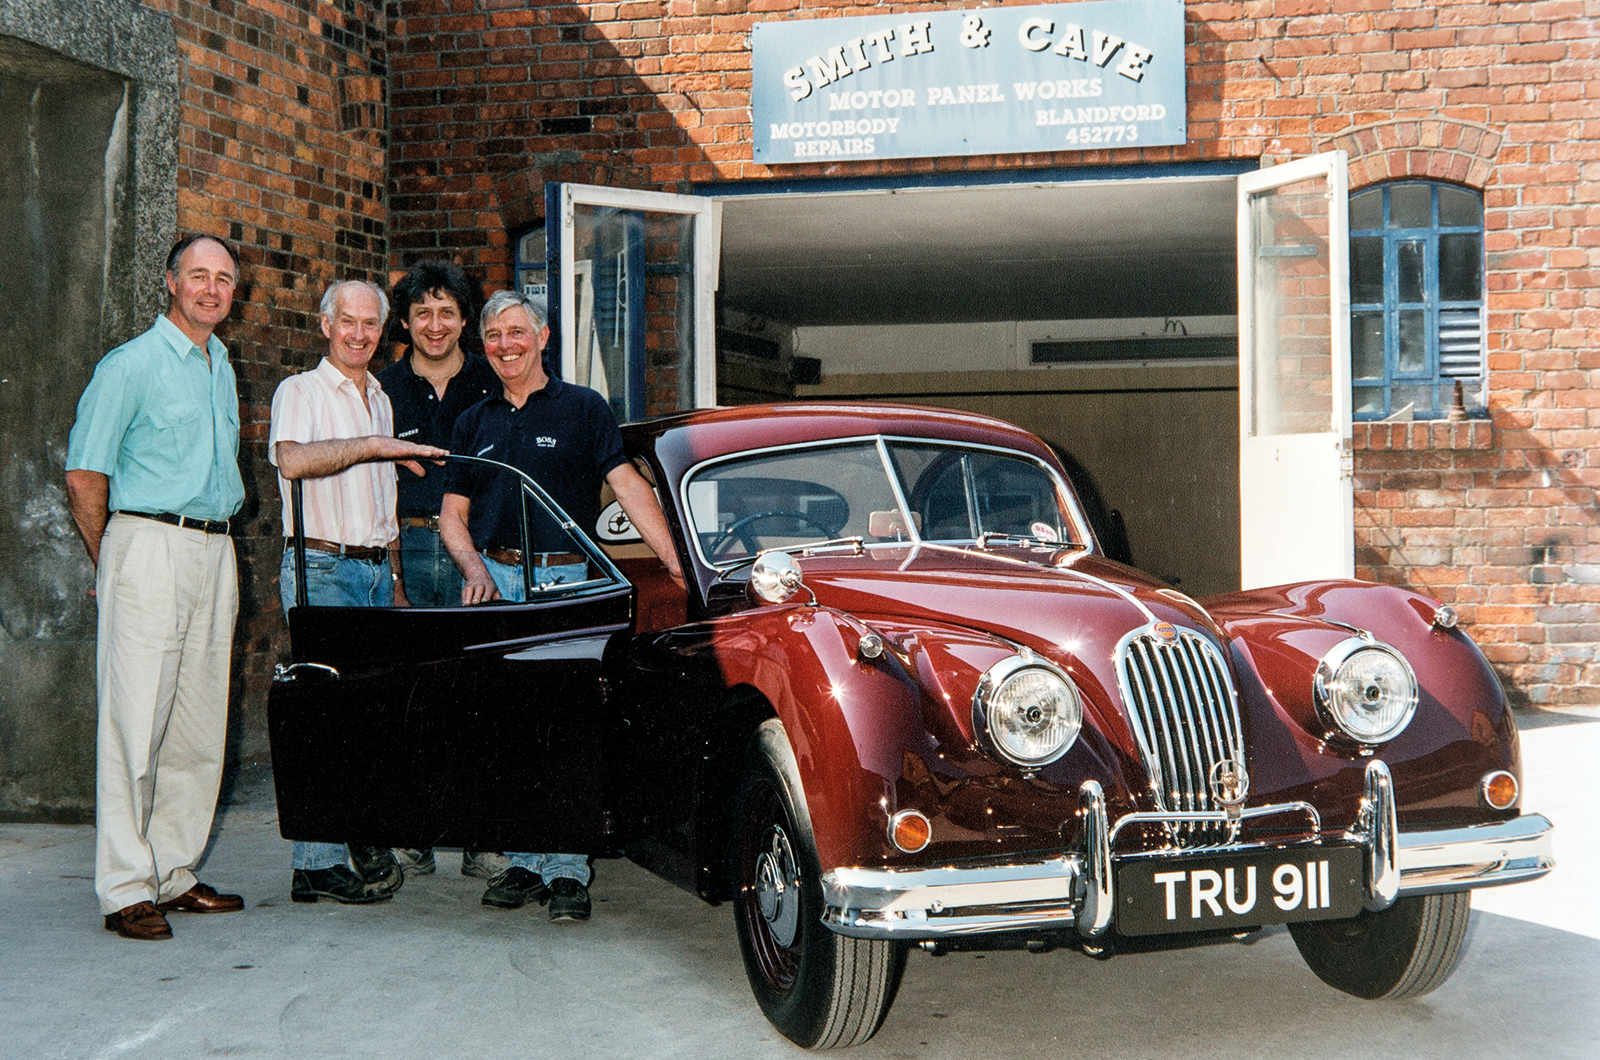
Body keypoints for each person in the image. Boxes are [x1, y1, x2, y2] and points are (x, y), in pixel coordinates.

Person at [439, 289, 683, 921]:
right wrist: (473, 569)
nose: (505, 345)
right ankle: (522, 860)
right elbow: (451, 517)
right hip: (495, 581)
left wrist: (678, 563)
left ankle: (568, 870)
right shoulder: (473, 421)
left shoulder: (583, 408)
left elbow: (628, 487)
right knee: (506, 728)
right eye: (493, 336)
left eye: (516, 333)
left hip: (567, 582)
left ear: (543, 338)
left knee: (568, 726)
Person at [65, 234, 249, 941]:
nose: (211, 289)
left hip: (214, 549)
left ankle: (172, 872)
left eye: (224, 279)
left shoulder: (221, 365)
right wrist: (109, 561)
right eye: (197, 276)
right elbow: (85, 475)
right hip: (145, 544)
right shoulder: (130, 366)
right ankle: (123, 887)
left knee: (199, 725)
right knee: (134, 723)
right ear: (169, 283)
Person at [268, 279, 448, 904]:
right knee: (323, 718)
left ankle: (349, 841)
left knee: (364, 721)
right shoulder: (302, 390)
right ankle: (315, 863)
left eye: (371, 324)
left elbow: (384, 501)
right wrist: (373, 446)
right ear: (326, 325)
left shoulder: (379, 397)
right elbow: (291, 461)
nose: (360, 334)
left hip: (372, 571)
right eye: (348, 321)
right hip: (321, 567)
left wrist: (395, 579)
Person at [374, 261, 503, 882]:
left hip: (476, 557)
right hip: (407, 550)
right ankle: (414, 830)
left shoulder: (491, 382)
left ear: (464, 319)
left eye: (447, 311)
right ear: (404, 320)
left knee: (478, 696)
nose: (434, 324)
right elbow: (374, 491)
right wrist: (393, 578)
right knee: (411, 698)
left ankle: (483, 836)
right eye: (422, 312)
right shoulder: (381, 389)